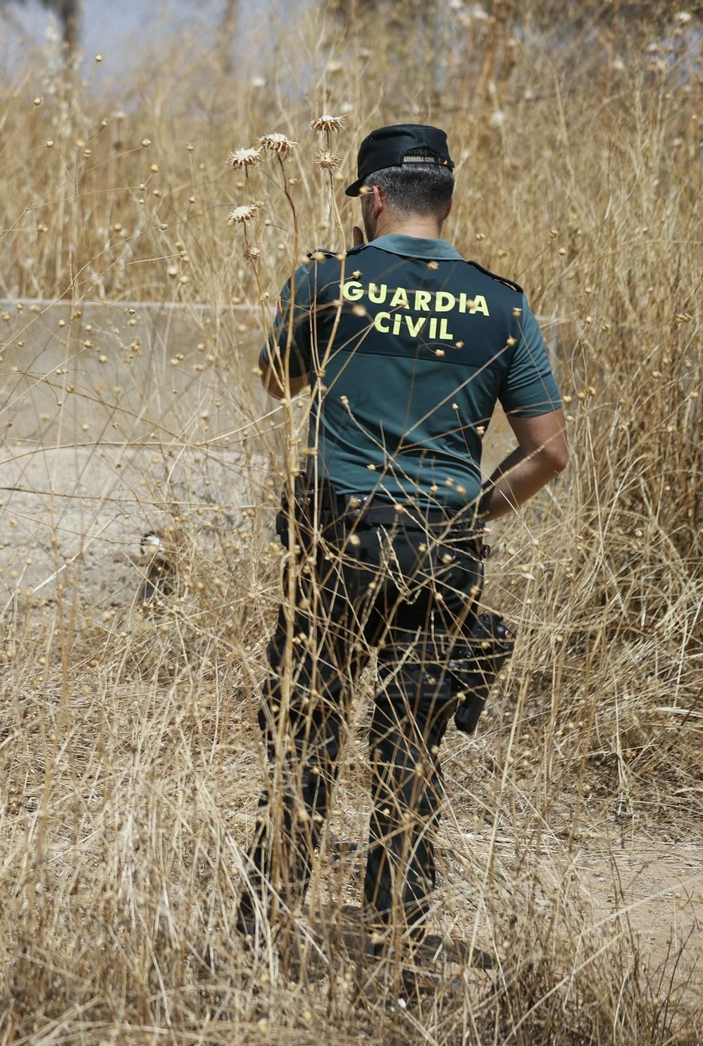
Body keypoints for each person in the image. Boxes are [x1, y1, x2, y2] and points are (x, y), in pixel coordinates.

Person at [238, 124, 568, 975]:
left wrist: (334, 286)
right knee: (410, 746)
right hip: (444, 544)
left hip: (337, 543)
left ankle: (265, 933)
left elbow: (278, 379)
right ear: (446, 201)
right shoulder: (503, 302)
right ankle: (395, 942)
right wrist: (472, 513)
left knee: (307, 735)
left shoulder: (331, 280)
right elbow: (550, 453)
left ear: (373, 200)